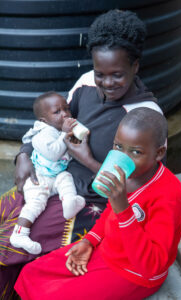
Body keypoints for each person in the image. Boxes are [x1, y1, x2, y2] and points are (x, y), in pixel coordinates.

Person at [0, 9, 163, 299]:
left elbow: (139, 189)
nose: (106, 83)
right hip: (53, 177)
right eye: (101, 73)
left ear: (135, 66)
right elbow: (52, 122)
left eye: (117, 75)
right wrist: (24, 154)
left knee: (9, 246)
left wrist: (86, 159)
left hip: (91, 200)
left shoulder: (144, 119)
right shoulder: (87, 83)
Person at [14, 108, 181, 300]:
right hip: (107, 251)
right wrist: (90, 241)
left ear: (159, 153)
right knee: (31, 273)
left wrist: (123, 209)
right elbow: (109, 214)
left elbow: (152, 264)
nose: (123, 157)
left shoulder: (170, 197)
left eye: (136, 152)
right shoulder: (128, 174)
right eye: (118, 147)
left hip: (134, 273)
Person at [10, 92, 85, 255]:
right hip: (39, 179)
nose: (65, 114)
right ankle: (19, 234)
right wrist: (66, 134)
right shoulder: (42, 134)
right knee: (36, 203)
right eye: (57, 112)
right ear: (44, 121)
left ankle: (69, 205)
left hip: (55, 176)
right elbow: (53, 154)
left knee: (66, 179)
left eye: (66, 109)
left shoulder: (59, 130)